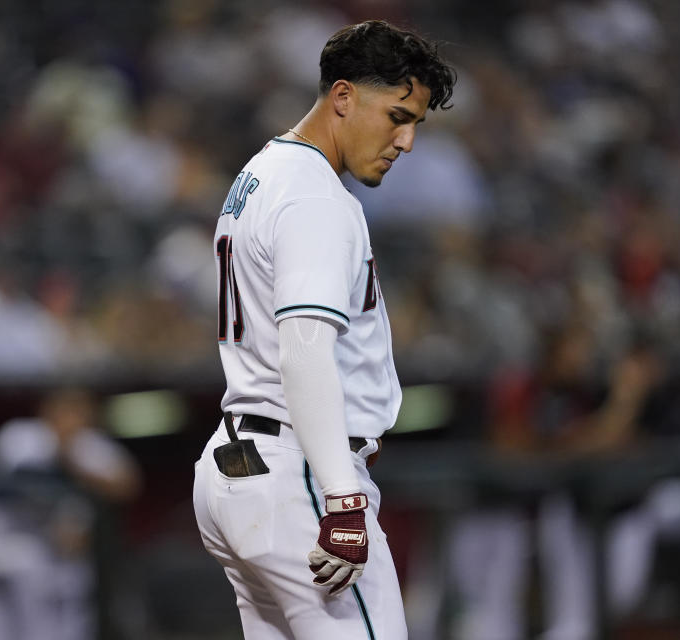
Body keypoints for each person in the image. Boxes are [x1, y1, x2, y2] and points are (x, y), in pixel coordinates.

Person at [192, 20, 455, 640]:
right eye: (397, 116)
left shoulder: (263, 172)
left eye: (415, 121)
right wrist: (342, 497)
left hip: (241, 463)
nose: (408, 140)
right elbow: (304, 353)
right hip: (298, 472)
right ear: (343, 97)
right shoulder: (314, 197)